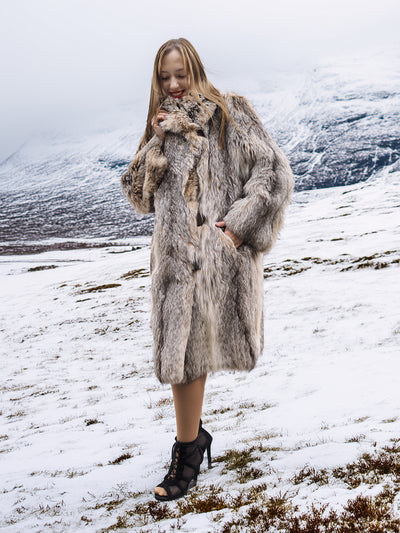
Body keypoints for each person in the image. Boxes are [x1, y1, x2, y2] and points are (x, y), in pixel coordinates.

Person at [120, 38, 294, 501]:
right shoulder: (160, 129)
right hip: (175, 264)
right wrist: (158, 142)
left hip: (218, 259)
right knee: (180, 359)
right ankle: (191, 443)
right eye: (164, 77)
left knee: (190, 358)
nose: (173, 85)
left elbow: (273, 172)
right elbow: (138, 196)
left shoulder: (229, 112)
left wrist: (238, 228)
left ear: (196, 70)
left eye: (181, 74)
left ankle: (187, 452)